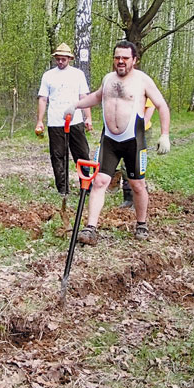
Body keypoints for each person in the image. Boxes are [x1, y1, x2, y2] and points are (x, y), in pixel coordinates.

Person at [63, 40, 170, 243]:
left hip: (133, 141)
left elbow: (161, 105)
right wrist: (75, 105)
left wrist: (164, 134)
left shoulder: (142, 81)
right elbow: (96, 96)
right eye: (117, 57)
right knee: (99, 181)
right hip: (110, 140)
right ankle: (90, 228)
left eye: (125, 58)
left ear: (134, 60)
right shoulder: (108, 79)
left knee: (137, 185)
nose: (120, 61)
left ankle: (141, 224)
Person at [35, 42, 93, 195]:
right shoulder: (48, 76)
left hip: (75, 121)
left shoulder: (78, 74)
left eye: (63, 59)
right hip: (55, 121)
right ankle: (63, 189)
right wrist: (40, 121)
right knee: (58, 155)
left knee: (82, 154)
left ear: (69, 59)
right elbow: (43, 99)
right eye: (58, 59)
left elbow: (84, 97)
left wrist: (88, 117)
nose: (60, 62)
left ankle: (86, 187)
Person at [119, 97, 155, 208]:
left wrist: (142, 125)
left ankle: (138, 200)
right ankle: (128, 198)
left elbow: (150, 106)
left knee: (136, 165)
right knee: (124, 166)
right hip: (125, 130)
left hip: (141, 130)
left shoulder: (140, 84)